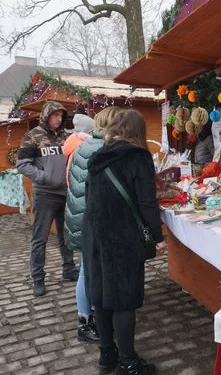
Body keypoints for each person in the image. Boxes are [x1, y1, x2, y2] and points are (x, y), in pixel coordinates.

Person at [84, 109, 166, 375]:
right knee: (123, 300)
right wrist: (158, 236)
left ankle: (107, 356)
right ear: (139, 131)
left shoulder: (97, 157)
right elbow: (146, 202)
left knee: (102, 296)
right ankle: (128, 363)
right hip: (122, 236)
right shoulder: (138, 157)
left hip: (95, 234)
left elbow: (90, 197)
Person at [63, 108, 119, 344]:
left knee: (88, 269)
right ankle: (86, 321)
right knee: (89, 271)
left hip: (78, 216)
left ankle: (90, 316)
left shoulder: (82, 146)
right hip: (91, 219)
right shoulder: (102, 149)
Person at [17, 101, 77, 297]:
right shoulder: (32, 136)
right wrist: (43, 177)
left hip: (66, 193)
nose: (59, 119)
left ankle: (68, 270)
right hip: (45, 194)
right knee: (40, 237)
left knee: (66, 235)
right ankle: (38, 278)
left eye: (61, 115)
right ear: (46, 115)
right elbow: (23, 164)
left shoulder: (67, 136)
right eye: (55, 115)